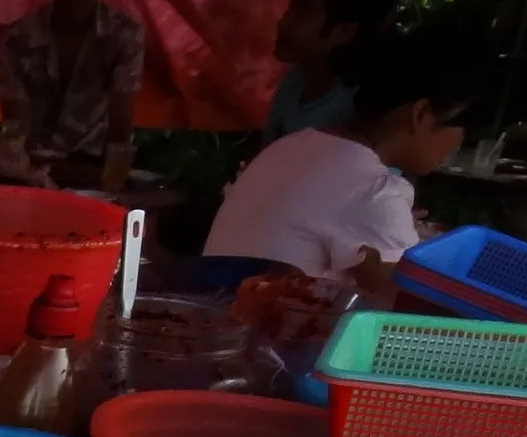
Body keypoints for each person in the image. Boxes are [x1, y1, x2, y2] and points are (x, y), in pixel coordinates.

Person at [205, 26, 482, 289]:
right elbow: (411, 313)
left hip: (214, 317)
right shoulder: (374, 191)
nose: (460, 141)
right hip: (265, 333)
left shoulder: (290, 146)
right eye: (464, 127)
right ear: (421, 113)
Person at [0, 0, 143, 188]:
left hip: (93, 177)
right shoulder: (16, 40)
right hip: (28, 175)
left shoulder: (125, 36)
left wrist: (109, 179)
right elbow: (16, 128)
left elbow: (119, 130)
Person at [264, 0, 403, 143]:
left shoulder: (361, 115)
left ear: (344, 31)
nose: (283, 22)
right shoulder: (296, 81)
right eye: (291, 7)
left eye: (302, 11)